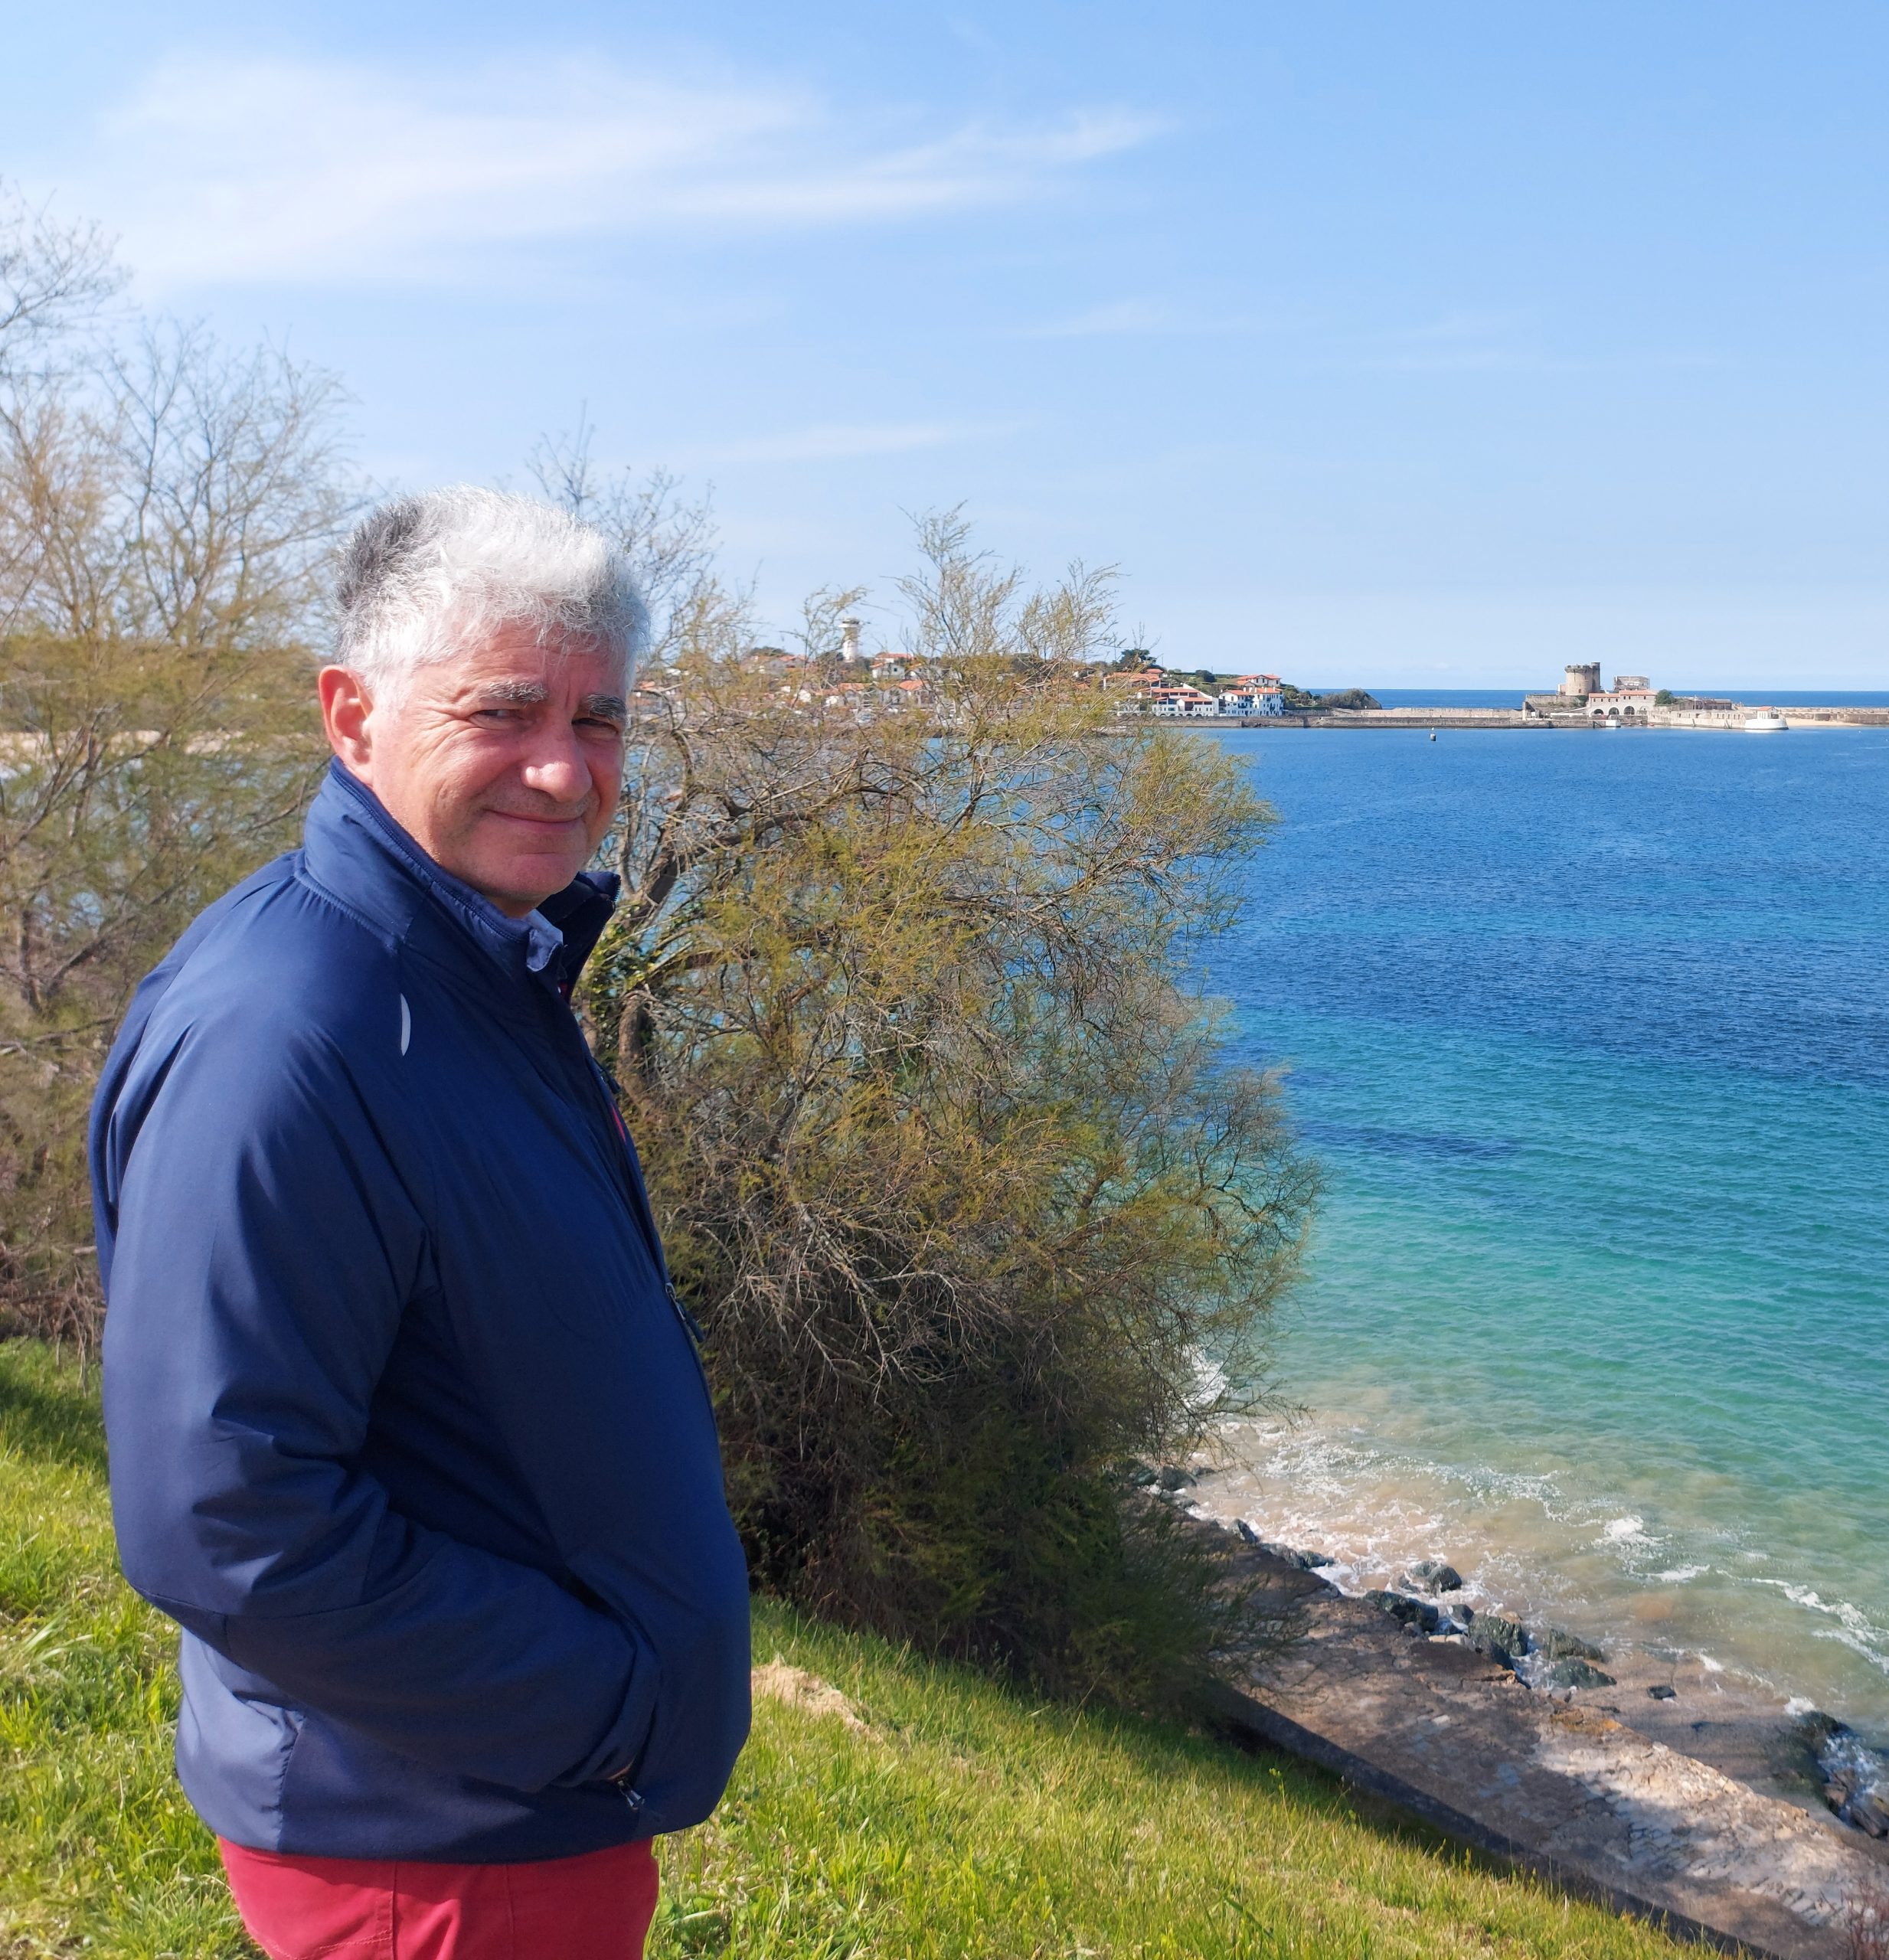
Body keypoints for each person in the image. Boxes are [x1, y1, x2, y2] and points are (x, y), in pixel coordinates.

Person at [89, 487, 751, 1960]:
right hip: (434, 1853)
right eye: (503, 710)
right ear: (353, 716)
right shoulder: (292, 1033)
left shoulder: (468, 969)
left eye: (599, 719)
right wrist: (607, 1705)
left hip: (508, 1816)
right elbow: (224, 1518)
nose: (563, 768)